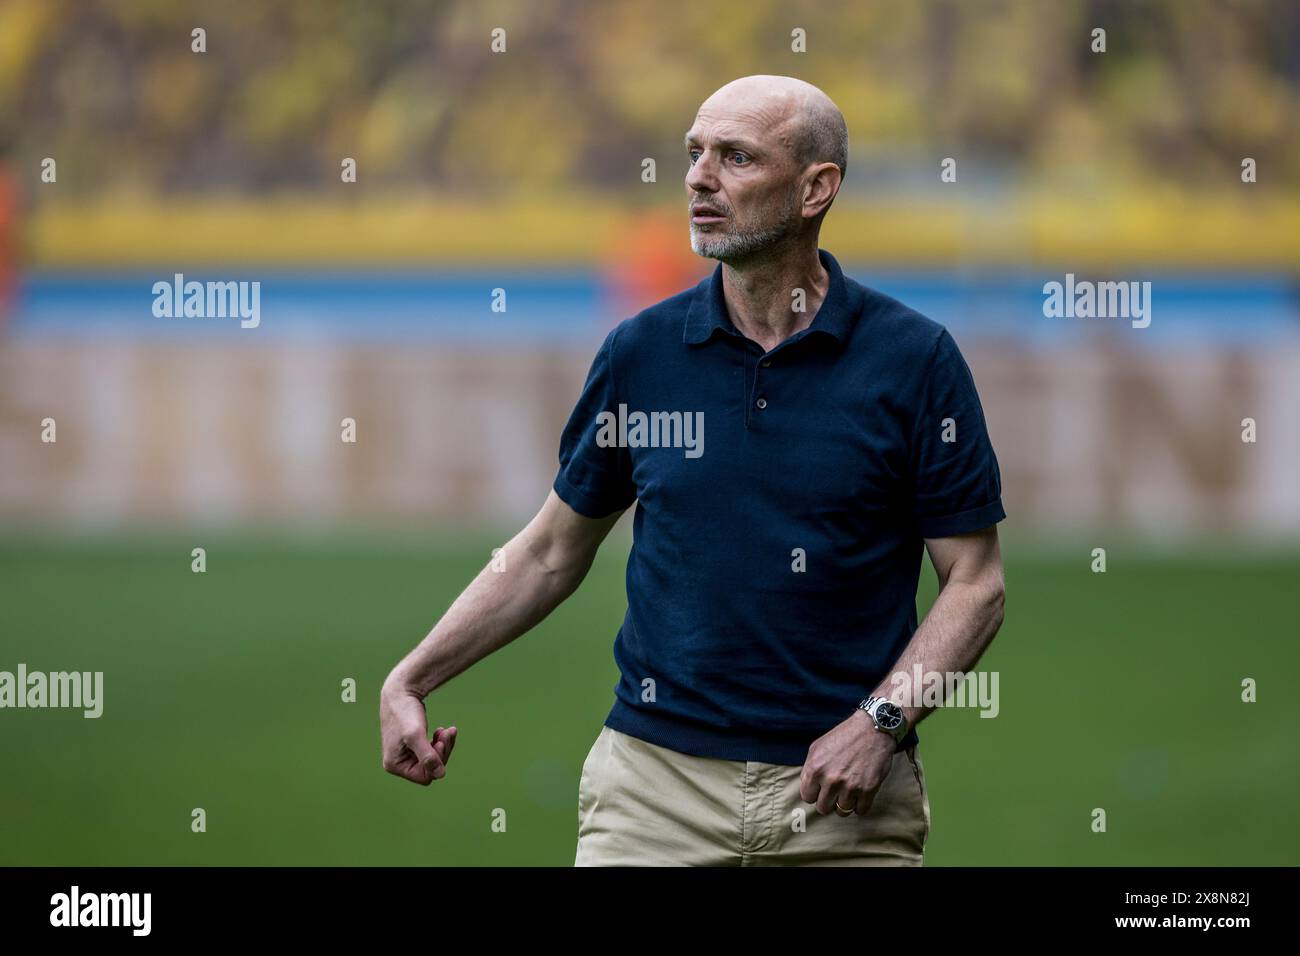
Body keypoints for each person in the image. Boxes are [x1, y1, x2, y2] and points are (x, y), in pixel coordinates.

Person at [380, 75, 1007, 866]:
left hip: (846, 802)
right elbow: (549, 552)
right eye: (694, 153)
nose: (699, 177)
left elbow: (976, 582)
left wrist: (881, 723)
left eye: (736, 157)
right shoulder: (639, 353)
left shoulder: (915, 361)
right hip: (651, 795)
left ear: (817, 188)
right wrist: (412, 677)